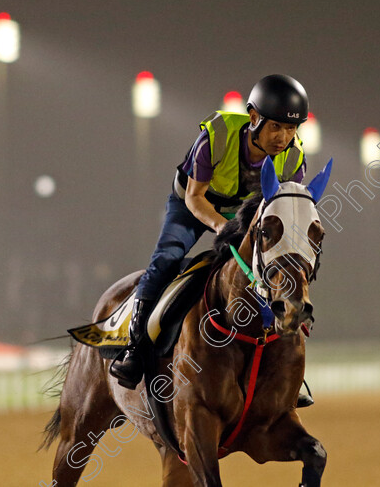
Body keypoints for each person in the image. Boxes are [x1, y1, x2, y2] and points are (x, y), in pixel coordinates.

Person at [110, 75, 312, 405]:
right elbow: (195, 196)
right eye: (276, 126)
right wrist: (222, 226)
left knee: (271, 273)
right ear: (253, 117)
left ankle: (287, 370)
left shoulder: (294, 159)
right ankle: (134, 350)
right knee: (167, 260)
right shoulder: (216, 136)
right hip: (193, 205)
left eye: (292, 129)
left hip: (244, 215)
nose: (284, 137)